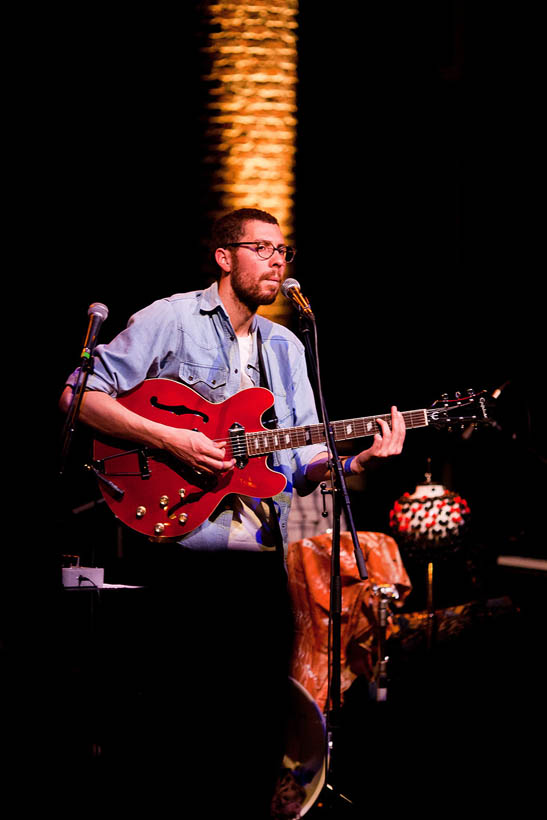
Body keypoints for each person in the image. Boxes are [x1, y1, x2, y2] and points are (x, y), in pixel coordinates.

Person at [60, 207, 405, 816]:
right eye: (262, 248)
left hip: (259, 564)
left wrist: (356, 466)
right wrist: (170, 440)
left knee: (252, 740)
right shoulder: (171, 319)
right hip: (182, 558)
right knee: (178, 736)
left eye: (283, 251)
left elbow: (300, 463)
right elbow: (77, 394)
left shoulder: (287, 345)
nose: (277, 261)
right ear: (224, 257)